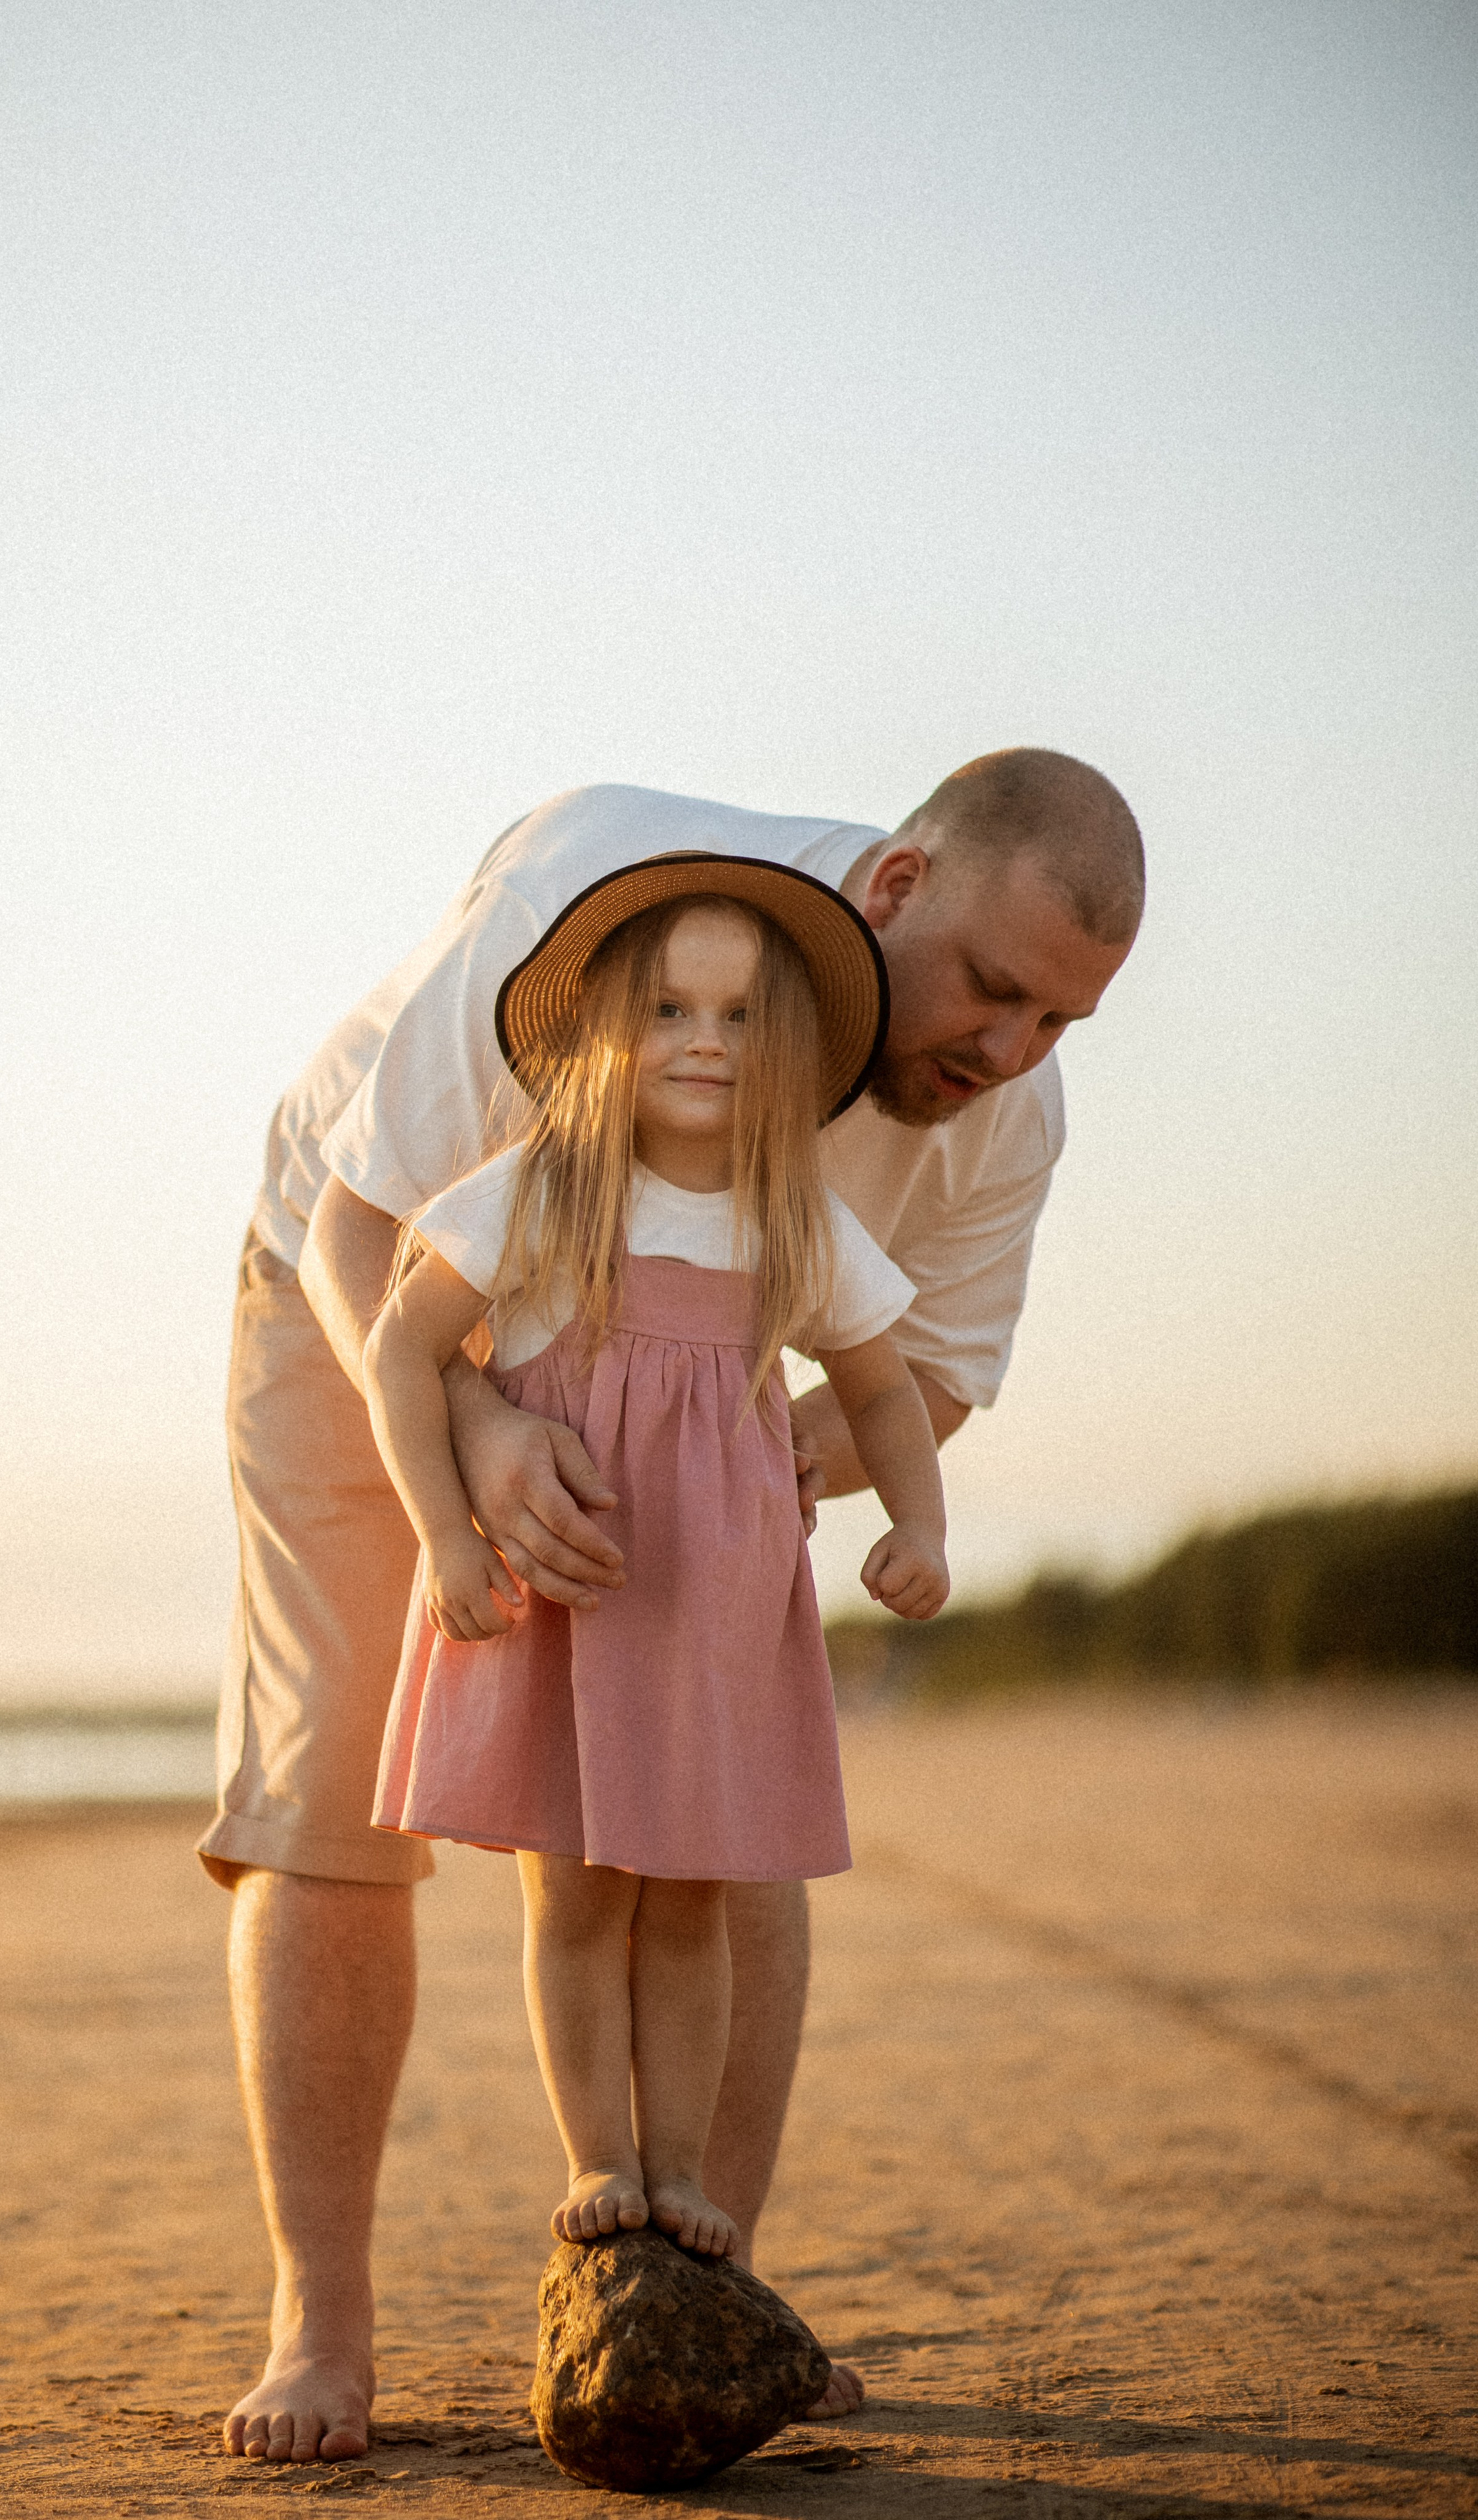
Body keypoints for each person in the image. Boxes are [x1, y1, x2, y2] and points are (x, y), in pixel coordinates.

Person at [206, 751, 1143, 2465]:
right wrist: (480, 1437)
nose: (1011, 1053)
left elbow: (920, 1376)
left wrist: (744, 1475)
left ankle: (710, 2296)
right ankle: (320, 2331)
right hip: (363, 1294)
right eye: (998, 992)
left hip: (692, 1402)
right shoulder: (599, 904)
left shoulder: (1008, 1109)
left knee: (725, 1818)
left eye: (1063, 1023)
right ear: (899, 887)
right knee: (332, 1791)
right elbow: (361, 1236)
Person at [363, 871, 951, 2263]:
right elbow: (399, 1344)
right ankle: (598, 2159)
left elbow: (884, 1391)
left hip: (712, 1618)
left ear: (788, 1049)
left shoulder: (790, 1220)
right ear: (603, 1037)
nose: (705, 1038)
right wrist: (446, 1529)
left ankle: (680, 2172)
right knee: (572, 1892)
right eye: (670, 1008)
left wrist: (917, 1524)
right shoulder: (542, 1193)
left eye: (741, 1014)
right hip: (568, 1597)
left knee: (690, 1897)